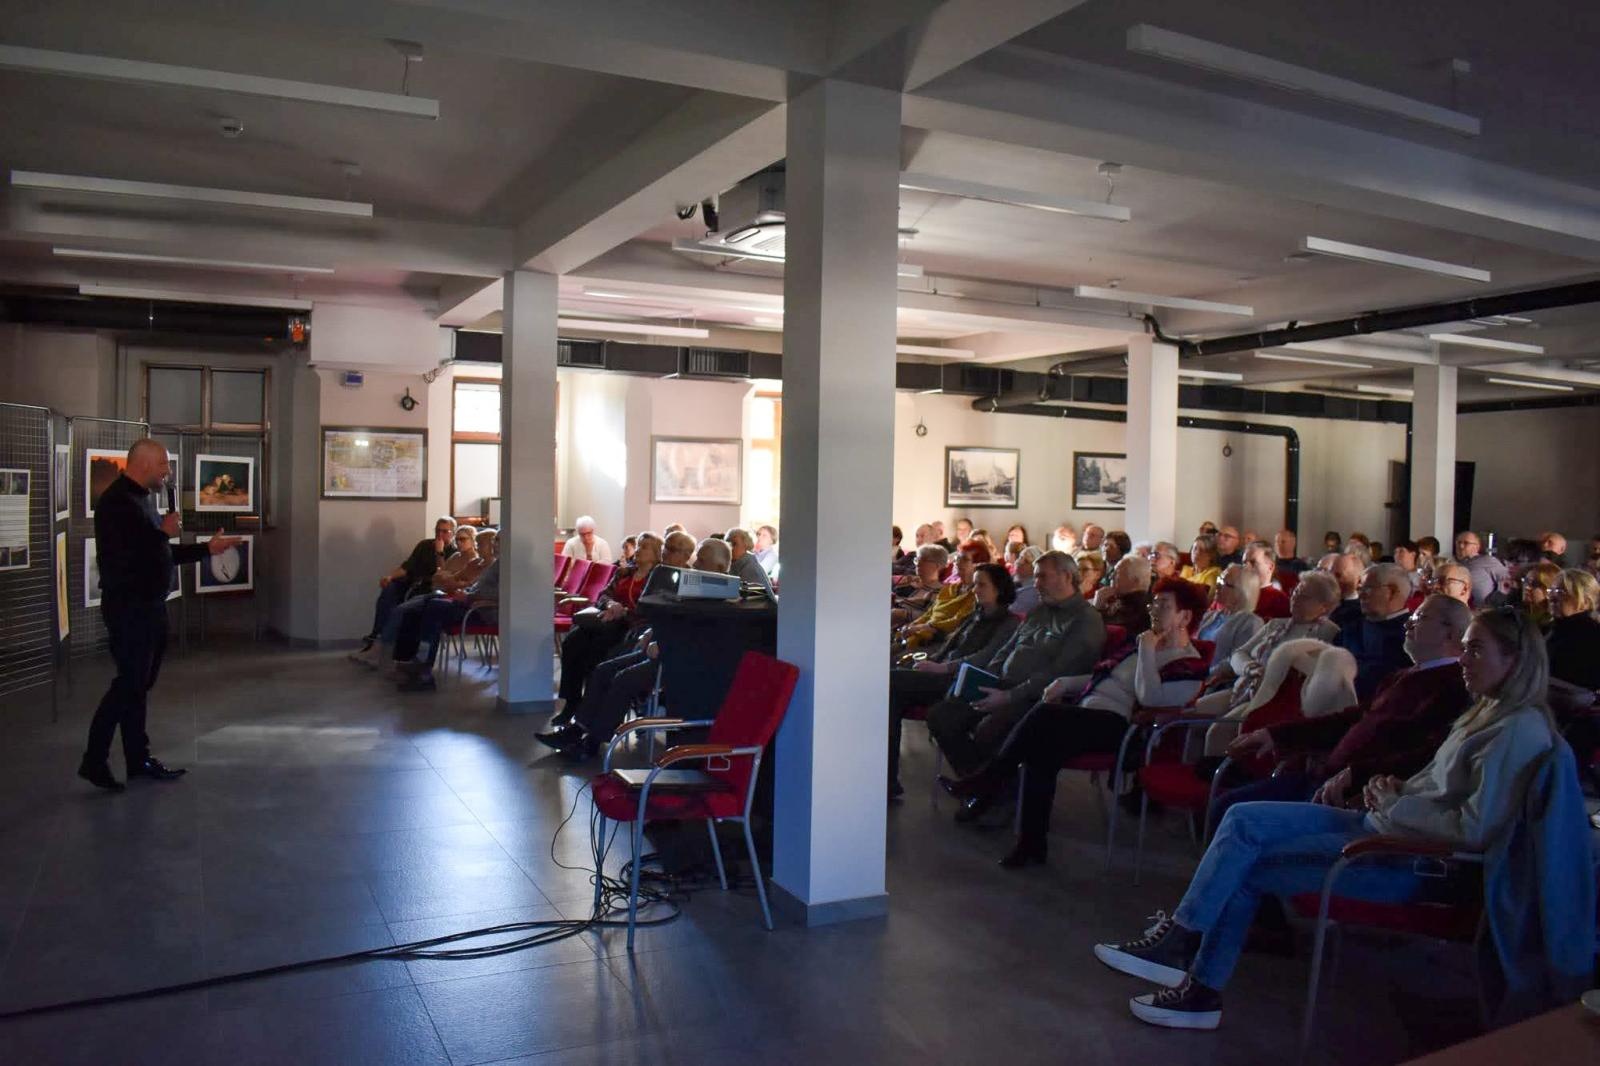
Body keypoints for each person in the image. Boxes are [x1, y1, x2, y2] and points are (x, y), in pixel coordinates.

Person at [1092, 607, 1560, 1030]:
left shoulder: (1517, 730)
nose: (1464, 659)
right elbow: (1434, 783)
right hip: (1386, 824)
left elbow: (1474, 829)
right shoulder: (1488, 711)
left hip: (1415, 860)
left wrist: (1393, 801)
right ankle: (1192, 968)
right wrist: (1392, 791)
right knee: (1241, 822)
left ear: (1515, 660)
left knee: (1245, 850)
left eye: (1476, 650)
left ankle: (1192, 968)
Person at [941, 577, 1214, 862]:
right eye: (1153, 603)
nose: (1154, 610)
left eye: (1164, 605)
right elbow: (1105, 676)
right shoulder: (1144, 645)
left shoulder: (1190, 663)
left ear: (1185, 616)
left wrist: (1146, 649)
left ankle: (985, 783)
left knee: (1044, 716)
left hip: (1124, 729)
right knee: (1040, 753)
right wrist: (1066, 682)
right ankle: (1031, 844)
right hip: (1086, 714)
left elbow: (1149, 698)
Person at [1214, 594, 1473, 821]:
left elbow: (1428, 756)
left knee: (1235, 814)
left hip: (1356, 797)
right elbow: (1349, 720)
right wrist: (1274, 734)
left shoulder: (1454, 686)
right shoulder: (1403, 675)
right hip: (1325, 777)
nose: (1408, 623)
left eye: (1420, 618)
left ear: (1450, 633)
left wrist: (1357, 775)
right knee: (1227, 804)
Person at [79, 440, 240, 790]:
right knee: (128, 685)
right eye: (164, 465)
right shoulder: (117, 503)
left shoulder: (141, 499)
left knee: (138, 686)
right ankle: (94, 760)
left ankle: (138, 759)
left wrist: (205, 549)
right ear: (145, 463)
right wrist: (162, 534)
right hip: (129, 609)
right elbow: (129, 560)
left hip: (150, 606)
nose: (167, 472)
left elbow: (159, 553)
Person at [536, 540, 739, 760]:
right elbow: (669, 619)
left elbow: (701, 641)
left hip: (677, 660)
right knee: (603, 669)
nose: (695, 563)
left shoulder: (725, 602)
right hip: (660, 647)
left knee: (623, 678)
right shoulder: (695, 587)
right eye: (697, 557)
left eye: (701, 559)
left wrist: (662, 642)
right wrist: (652, 634)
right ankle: (577, 730)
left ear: (719, 568)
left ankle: (592, 743)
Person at [923, 552, 1106, 789]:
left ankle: (985, 789)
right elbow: (1007, 649)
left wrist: (1008, 696)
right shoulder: (1040, 610)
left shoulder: (1085, 619)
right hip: (1002, 684)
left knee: (988, 729)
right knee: (942, 713)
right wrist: (986, 679)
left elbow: (1057, 673)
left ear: (1067, 576)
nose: (1036, 583)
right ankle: (986, 787)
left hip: (1038, 698)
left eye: (1042, 576)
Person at [886, 563, 1021, 797]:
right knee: (891, 697)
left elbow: (984, 658)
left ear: (999, 588)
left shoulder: (1009, 623)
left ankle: (981, 780)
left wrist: (940, 667)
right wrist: (931, 662)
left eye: (981, 584)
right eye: (975, 583)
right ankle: (887, 779)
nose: (975, 589)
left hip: (964, 679)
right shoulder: (976, 614)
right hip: (945, 674)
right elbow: (951, 645)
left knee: (891, 682)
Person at [551, 531, 683, 722]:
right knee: (573, 641)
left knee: (595, 651)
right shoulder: (624, 572)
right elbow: (603, 595)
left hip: (629, 626)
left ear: (656, 553)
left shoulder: (658, 578)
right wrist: (611, 605)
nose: (638, 550)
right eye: (638, 545)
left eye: (644, 547)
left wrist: (624, 611)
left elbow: (649, 609)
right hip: (608, 620)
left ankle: (586, 715)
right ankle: (571, 703)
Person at [1192, 569, 1341, 728]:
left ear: (1324, 606)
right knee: (1194, 712)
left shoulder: (1327, 632)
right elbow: (1239, 654)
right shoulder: (1275, 624)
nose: (1294, 597)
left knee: (1219, 729)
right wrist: (1249, 667)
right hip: (1243, 687)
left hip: (1274, 698)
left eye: (1303, 596)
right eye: (1295, 591)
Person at [357, 515, 458, 652]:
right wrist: (390, 576)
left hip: (430, 587)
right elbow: (407, 567)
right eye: (438, 530)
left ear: (453, 533)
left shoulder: (455, 553)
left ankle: (386, 644)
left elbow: (443, 574)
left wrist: (439, 553)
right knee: (389, 590)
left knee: (406, 608)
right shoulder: (424, 545)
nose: (440, 534)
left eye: (445, 531)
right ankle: (377, 634)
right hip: (412, 581)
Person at [1337, 562, 1413, 701]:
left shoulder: (1413, 633)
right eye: (1359, 589)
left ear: (1391, 592)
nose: (1360, 595)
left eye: (1367, 589)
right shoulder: (1349, 622)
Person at [897, 540, 987, 650]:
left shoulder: (975, 594)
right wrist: (912, 625)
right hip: (921, 632)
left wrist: (923, 627)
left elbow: (956, 621)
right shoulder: (950, 588)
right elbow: (930, 613)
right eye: (957, 558)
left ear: (978, 565)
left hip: (939, 641)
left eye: (965, 559)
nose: (958, 562)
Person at [1195, 565, 1264, 677]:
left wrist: (1202, 675)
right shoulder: (1210, 615)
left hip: (1214, 683)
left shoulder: (1250, 622)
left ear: (1241, 592)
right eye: (1219, 580)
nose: (1217, 585)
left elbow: (1235, 662)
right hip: (1193, 674)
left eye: (1224, 583)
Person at [1093, 554, 1154, 638]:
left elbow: (1101, 633)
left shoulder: (1137, 609)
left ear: (1135, 580)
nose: (1111, 577)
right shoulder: (1123, 601)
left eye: (1117, 573)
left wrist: (1097, 609)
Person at [891, 544, 950, 626]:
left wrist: (904, 614)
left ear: (937, 566)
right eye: (917, 559)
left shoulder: (940, 591)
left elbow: (931, 616)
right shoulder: (908, 580)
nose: (917, 564)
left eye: (923, 560)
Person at [1454, 530, 1507, 607]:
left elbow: (1506, 581)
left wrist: (1492, 603)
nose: (1461, 546)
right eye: (1459, 542)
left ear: (1477, 546)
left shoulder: (1487, 561)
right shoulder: (1453, 563)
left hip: (1481, 611)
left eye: (1466, 543)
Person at [1243, 542, 1289, 619]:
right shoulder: (1235, 592)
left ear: (1270, 567)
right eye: (1244, 563)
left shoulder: (1279, 600)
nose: (1246, 567)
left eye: (1253, 562)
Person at [725, 527, 774, 594]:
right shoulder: (732, 562)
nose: (730, 548)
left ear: (746, 545)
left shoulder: (750, 566)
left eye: (734, 544)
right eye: (728, 544)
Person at [1519, 560, 1562, 631]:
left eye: (1534, 584)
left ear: (1549, 588)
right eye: (1526, 581)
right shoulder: (1519, 615)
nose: (1527, 587)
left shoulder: (1552, 627)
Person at [1011, 546, 1044, 614]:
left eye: (1026, 561)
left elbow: (1011, 610)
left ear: (1036, 568)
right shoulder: (1012, 578)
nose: (1019, 562)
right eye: (1020, 557)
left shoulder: (1034, 590)